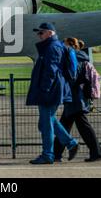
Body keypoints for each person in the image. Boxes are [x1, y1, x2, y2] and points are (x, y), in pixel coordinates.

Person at [26, 23, 79, 164]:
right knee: (48, 121)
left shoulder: (53, 47)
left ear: (50, 33)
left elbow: (51, 70)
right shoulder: (51, 47)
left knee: (46, 123)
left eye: (41, 33)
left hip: (50, 90)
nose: (39, 35)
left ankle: (48, 154)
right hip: (51, 89)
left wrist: (44, 89)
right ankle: (70, 143)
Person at [54, 38, 101, 162]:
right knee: (65, 125)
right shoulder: (82, 58)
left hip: (75, 97)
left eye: (64, 45)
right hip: (78, 96)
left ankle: (97, 152)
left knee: (81, 126)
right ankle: (56, 153)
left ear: (70, 46)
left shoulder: (73, 58)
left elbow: (72, 78)